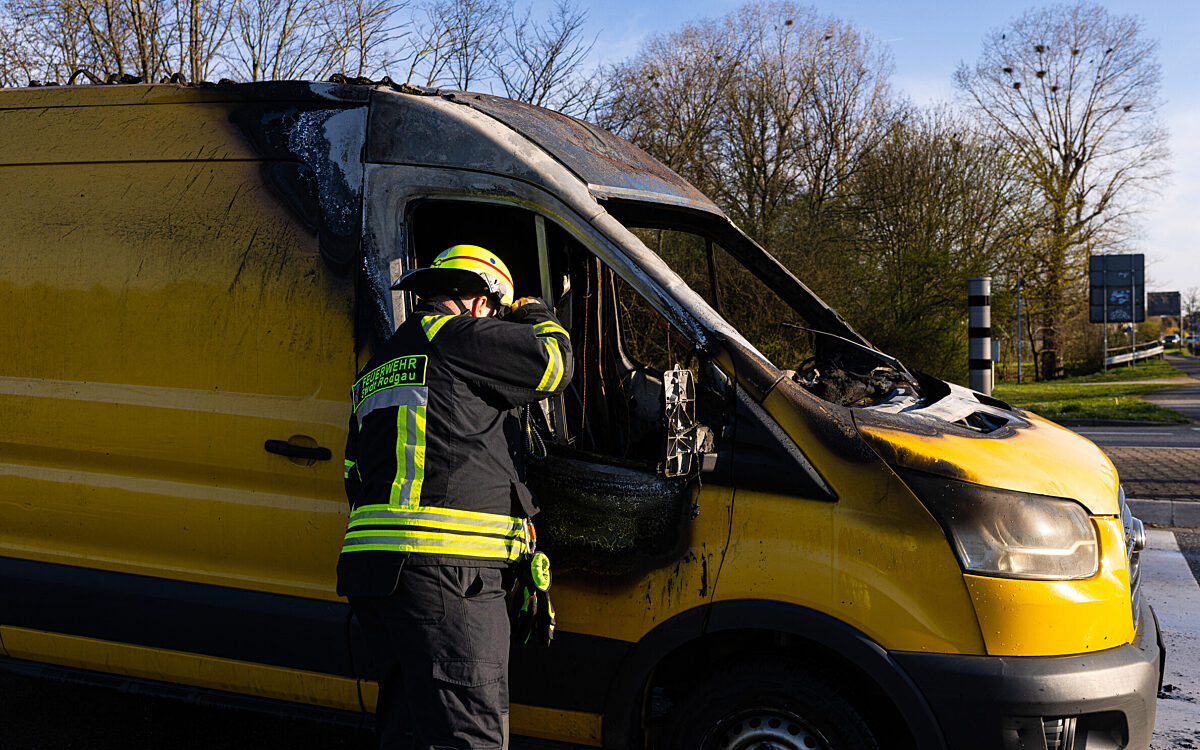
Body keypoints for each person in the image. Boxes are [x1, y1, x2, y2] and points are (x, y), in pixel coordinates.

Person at [337, 244, 572, 750]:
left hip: (376, 577)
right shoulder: (458, 336)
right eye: (498, 315)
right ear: (482, 302)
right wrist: (533, 312)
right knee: (469, 738)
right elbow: (554, 365)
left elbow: (354, 472)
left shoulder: (383, 361)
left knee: (409, 730)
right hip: (447, 578)